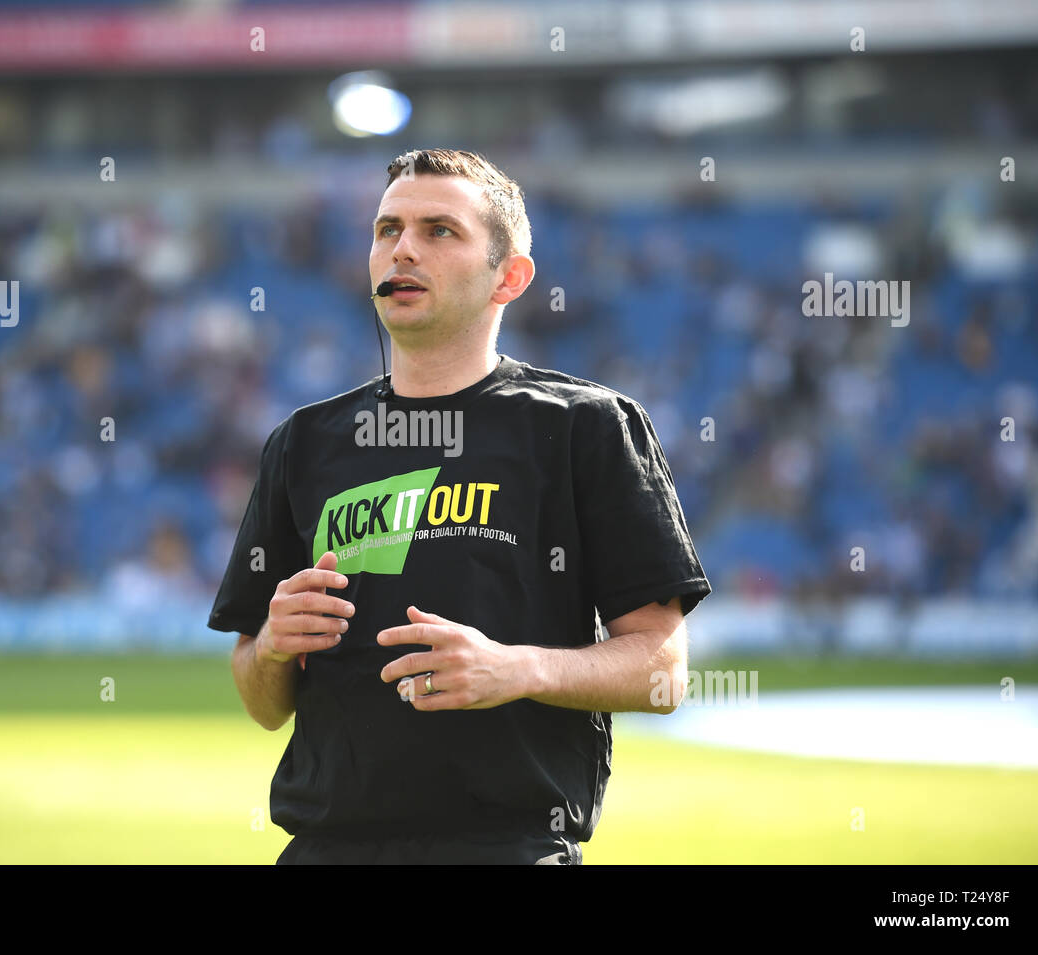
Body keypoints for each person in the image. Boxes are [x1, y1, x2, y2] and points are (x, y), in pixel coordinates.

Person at [207, 147, 711, 864]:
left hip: (505, 846)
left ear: (509, 276)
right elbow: (263, 700)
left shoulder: (585, 426)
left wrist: (517, 668)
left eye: (440, 230)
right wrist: (274, 647)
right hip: (324, 848)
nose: (403, 248)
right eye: (387, 230)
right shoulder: (303, 442)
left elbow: (663, 671)